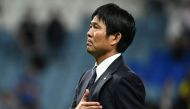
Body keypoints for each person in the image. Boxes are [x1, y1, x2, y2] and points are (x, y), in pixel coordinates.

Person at [71, 3, 146, 109]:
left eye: (96, 27)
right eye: (90, 27)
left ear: (115, 38)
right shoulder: (85, 77)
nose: (89, 33)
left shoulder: (126, 80)